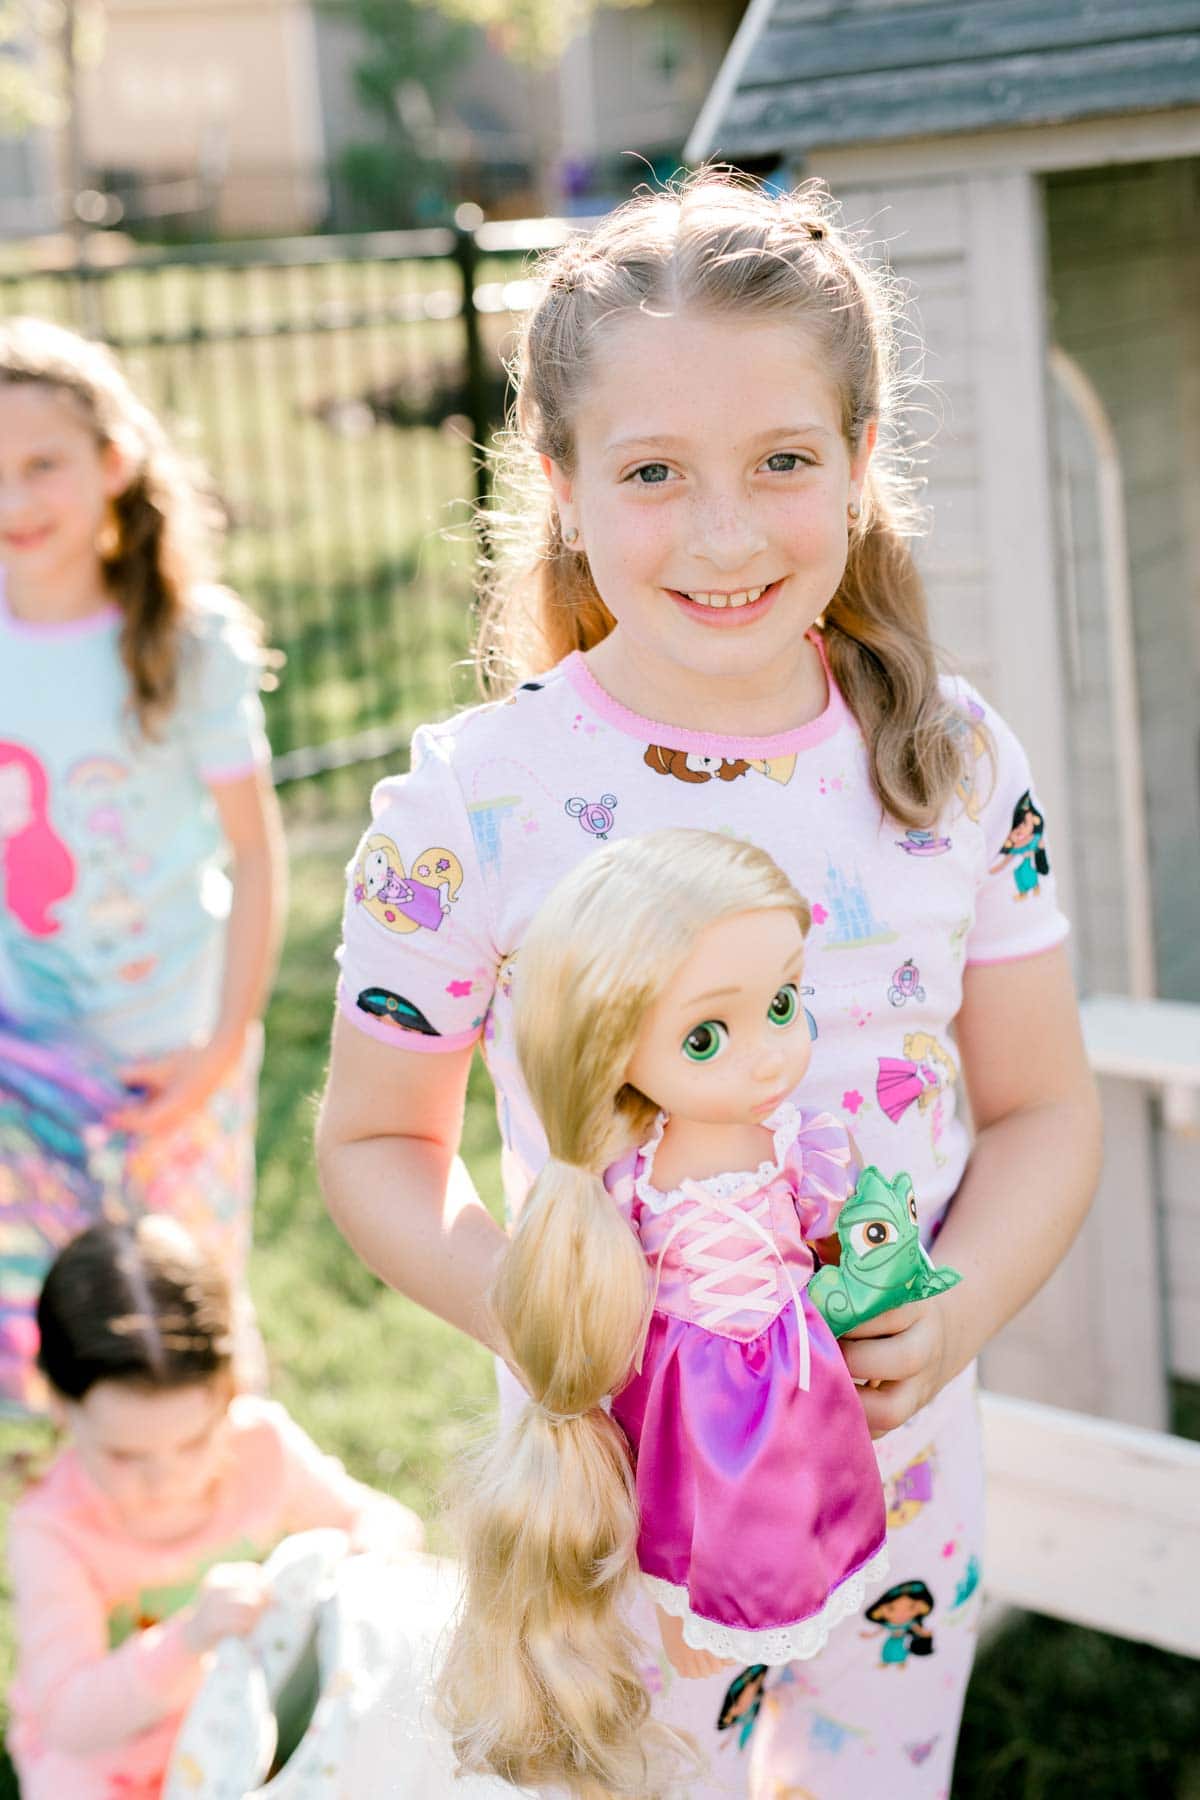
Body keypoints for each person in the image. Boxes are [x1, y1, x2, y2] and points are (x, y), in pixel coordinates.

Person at [318, 170, 1101, 1798]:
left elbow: (1040, 1110)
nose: (728, 530)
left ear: (864, 462)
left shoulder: (951, 769)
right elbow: (377, 1146)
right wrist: (559, 1335)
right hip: (613, 1487)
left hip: (897, 1486)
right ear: (562, 482)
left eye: (785, 463)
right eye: (656, 472)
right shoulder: (474, 803)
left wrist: (950, 1318)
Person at [438, 831, 898, 1798]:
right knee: (701, 1500)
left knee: (802, 1483)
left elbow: (830, 1234)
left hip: (788, 1355)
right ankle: (701, 1616)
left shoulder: (794, 1143)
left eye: (783, 1004)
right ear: (619, 1051)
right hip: (690, 1368)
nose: (770, 1054)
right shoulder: (625, 1182)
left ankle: (802, 1587)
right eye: (705, 1036)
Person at [0, 317, 286, 1413]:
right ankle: (93, 1517)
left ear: (113, 465)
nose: (17, 499)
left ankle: (219, 1491)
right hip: (30, 1055)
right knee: (56, 1324)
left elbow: (256, 858)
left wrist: (217, 1053)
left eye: (43, 466)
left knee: (186, 1303)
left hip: (171, 1052)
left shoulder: (185, 643)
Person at [5, 1215, 425, 1800]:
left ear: (230, 1387)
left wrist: (361, 1557)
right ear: (60, 1404)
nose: (167, 1478)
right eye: (125, 1455)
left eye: (195, 1440)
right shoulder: (52, 1531)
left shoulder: (257, 1446)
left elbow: (385, 1523)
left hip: (255, 1711)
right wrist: (188, 1639)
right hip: (114, 1755)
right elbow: (70, 1719)